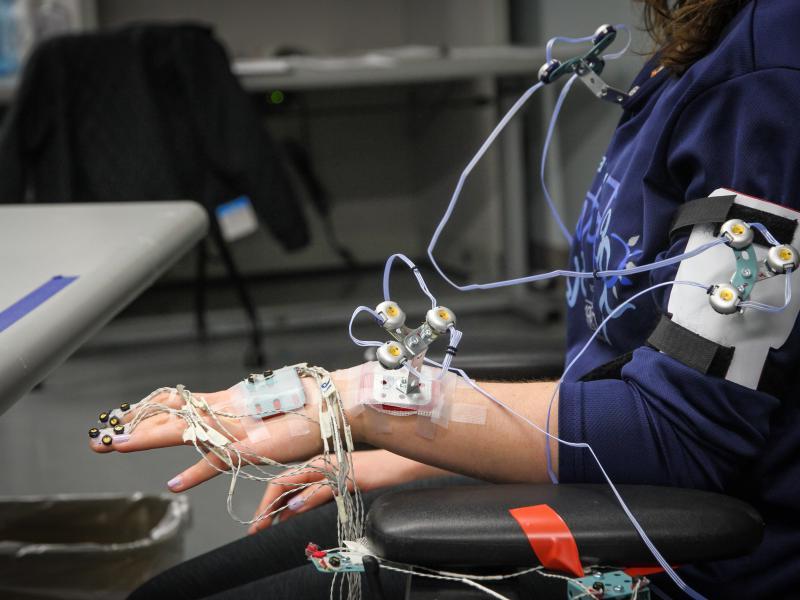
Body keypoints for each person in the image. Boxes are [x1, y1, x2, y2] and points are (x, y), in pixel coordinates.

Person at [93, 1, 800, 597]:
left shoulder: (770, 76)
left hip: (688, 554)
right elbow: (627, 371)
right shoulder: (697, 41)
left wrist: (364, 401)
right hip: (608, 479)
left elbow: (677, 436)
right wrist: (425, 455)